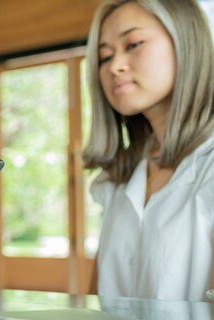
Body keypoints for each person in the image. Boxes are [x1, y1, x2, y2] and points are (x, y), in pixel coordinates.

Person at [84, 0, 214, 301]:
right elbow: (93, 306)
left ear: (186, 41)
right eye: (105, 56)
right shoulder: (118, 178)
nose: (115, 65)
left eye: (133, 43)